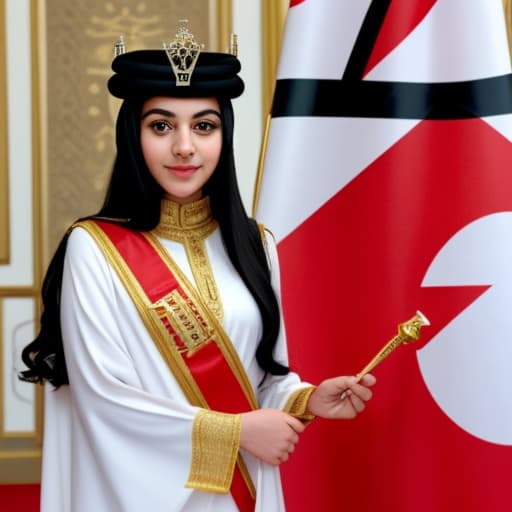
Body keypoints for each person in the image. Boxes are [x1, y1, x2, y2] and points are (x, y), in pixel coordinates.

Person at [20, 22, 376, 512]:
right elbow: (103, 400)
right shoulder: (94, 248)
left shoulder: (255, 244)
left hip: (239, 490)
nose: (184, 146)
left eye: (203, 126)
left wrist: (303, 399)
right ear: (133, 136)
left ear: (223, 136)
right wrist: (235, 432)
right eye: (161, 126)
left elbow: (264, 376)